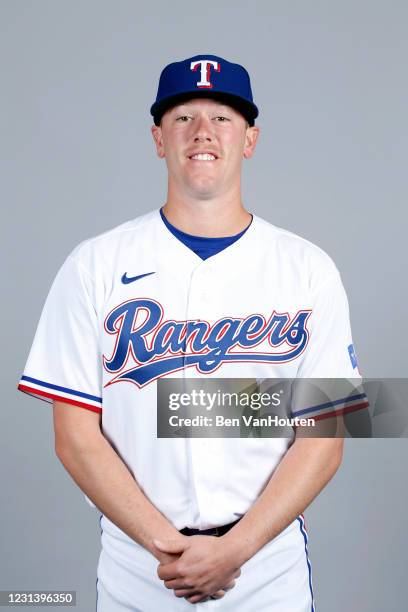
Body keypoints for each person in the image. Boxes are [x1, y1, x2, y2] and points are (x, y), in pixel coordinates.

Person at [18, 54, 367, 611]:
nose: (202, 132)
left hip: (264, 570)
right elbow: (75, 434)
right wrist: (166, 545)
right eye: (183, 117)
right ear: (158, 139)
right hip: (140, 567)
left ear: (250, 139)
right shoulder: (94, 264)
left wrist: (237, 548)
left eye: (223, 117)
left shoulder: (308, 268)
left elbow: (326, 436)